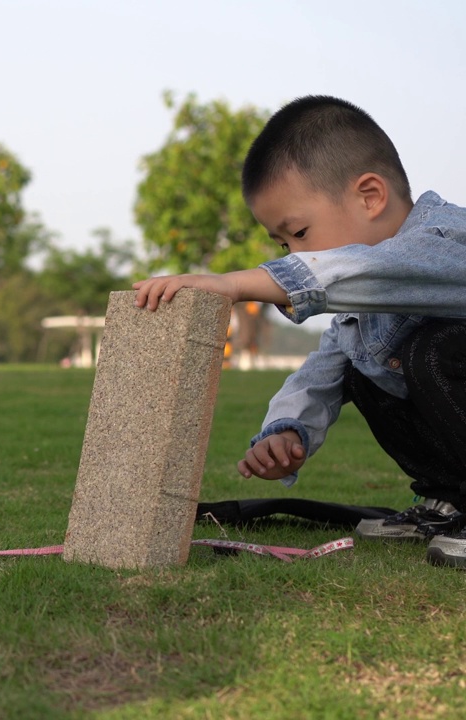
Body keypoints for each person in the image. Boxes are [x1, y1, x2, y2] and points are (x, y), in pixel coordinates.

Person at [131, 95, 466, 568]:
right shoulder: (362, 313)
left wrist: (235, 283)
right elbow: (318, 374)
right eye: (284, 244)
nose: (294, 256)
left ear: (370, 196)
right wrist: (287, 431)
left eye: (300, 234)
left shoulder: (447, 241)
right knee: (360, 369)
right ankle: (448, 504)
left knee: (435, 350)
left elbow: (373, 269)